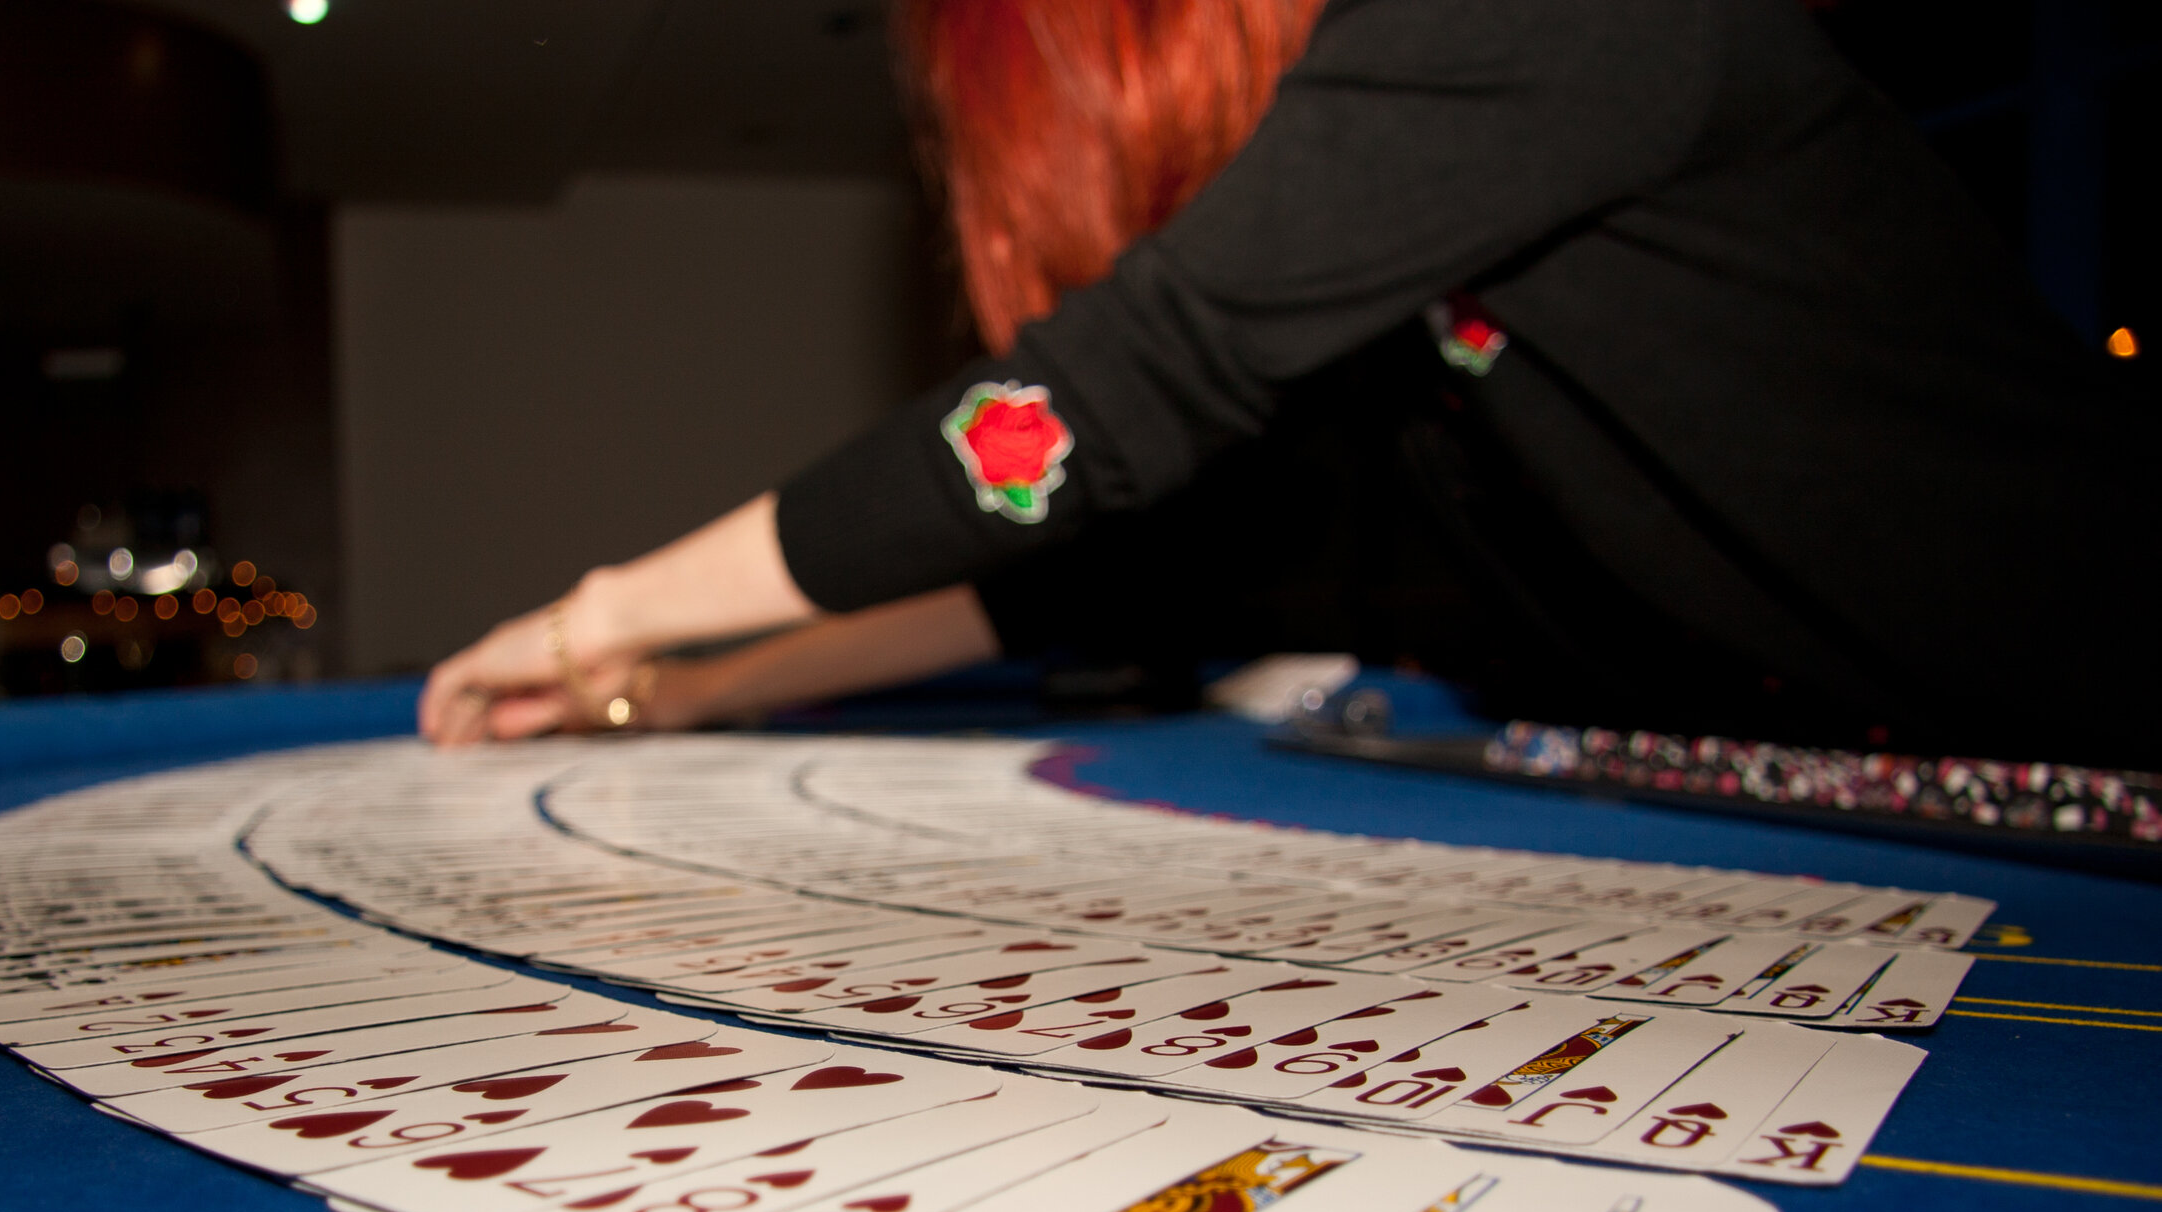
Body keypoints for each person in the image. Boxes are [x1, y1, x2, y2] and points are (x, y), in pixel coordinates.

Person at [419, 0, 2160, 766]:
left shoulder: (1546, 23)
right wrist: (697, 691)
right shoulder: (1433, 308)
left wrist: (607, 614)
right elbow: (1114, 563)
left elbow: (1071, 427)